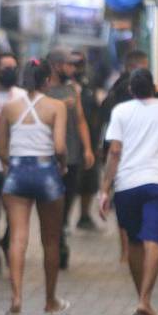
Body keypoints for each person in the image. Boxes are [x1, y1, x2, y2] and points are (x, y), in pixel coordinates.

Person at [98, 69, 158, 315]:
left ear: (130, 90)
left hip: (126, 185)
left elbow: (114, 152)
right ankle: (145, 299)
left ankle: (142, 297)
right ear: (155, 87)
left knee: (134, 242)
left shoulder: (120, 112)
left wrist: (104, 190)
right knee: (154, 239)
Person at [0, 58, 71, 315]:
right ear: (47, 80)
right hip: (46, 171)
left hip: (17, 172)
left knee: (18, 237)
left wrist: (10, 164)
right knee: (50, 240)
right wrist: (62, 166)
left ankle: (16, 298)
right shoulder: (56, 106)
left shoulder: (9, 108)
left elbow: (1, 146)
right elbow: (60, 146)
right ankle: (50, 300)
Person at [99, 49, 153, 263]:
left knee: (125, 203)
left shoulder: (115, 88)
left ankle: (127, 251)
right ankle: (131, 250)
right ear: (137, 67)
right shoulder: (130, 90)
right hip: (130, 152)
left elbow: (104, 115)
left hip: (119, 152)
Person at [44, 48, 95, 270]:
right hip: (47, 156)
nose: (72, 69)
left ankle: (60, 237)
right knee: (51, 202)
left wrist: (87, 149)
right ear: (56, 66)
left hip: (72, 155)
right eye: (68, 64)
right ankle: (54, 243)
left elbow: (81, 120)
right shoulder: (43, 91)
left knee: (67, 199)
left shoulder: (72, 89)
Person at [0, 52, 27, 279]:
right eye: (6, 67)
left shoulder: (21, 96)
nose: (12, 71)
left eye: (14, 66)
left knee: (15, 215)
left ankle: (8, 243)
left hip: (15, 164)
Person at [70, 50, 103, 230]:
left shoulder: (89, 84)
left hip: (89, 139)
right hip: (68, 141)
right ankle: (64, 219)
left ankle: (84, 215)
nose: (76, 67)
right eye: (73, 63)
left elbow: (96, 111)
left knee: (89, 181)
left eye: (80, 64)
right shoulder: (62, 87)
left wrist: (95, 142)